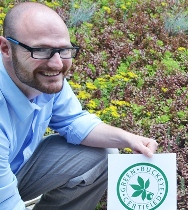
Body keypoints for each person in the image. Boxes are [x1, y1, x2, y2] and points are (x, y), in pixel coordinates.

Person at [0, 2, 158, 210]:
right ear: (6, 48)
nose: (57, 64)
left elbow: (74, 121)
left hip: (13, 169)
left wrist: (127, 139)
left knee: (103, 154)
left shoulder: (40, 78)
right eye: (41, 50)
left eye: (63, 50)